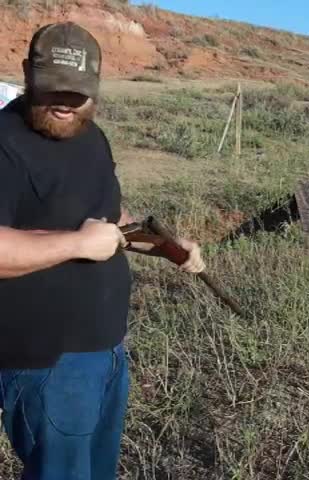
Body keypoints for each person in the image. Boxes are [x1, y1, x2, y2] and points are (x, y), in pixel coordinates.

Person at [0, 22, 205, 479]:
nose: (65, 104)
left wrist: (169, 247)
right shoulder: (5, 143)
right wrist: (77, 244)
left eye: (79, 94)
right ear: (27, 74)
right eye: (53, 89)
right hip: (45, 364)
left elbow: (110, 220)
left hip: (106, 350)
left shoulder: (92, 137)